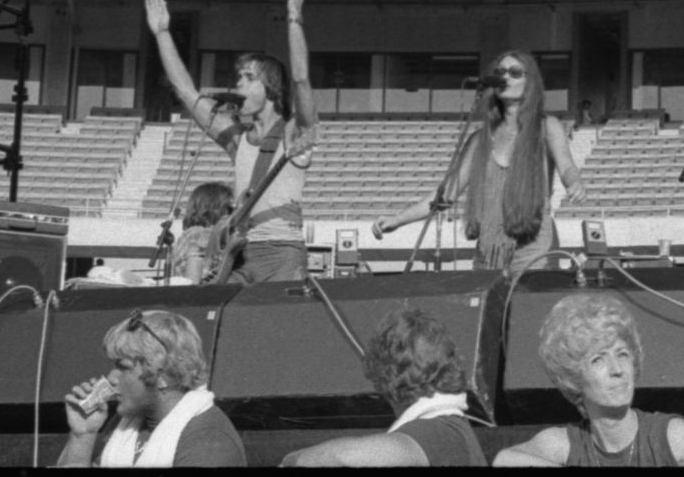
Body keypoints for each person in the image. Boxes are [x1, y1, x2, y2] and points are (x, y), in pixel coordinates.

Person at [145, 0, 320, 284]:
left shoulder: (294, 132)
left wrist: (294, 17)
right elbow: (186, 92)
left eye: (248, 78)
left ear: (272, 88)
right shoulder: (237, 140)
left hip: (282, 252)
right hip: (239, 253)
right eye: (238, 77)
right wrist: (162, 34)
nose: (238, 84)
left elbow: (300, 78)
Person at [374, 51, 587, 275]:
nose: (505, 77)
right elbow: (445, 195)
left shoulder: (547, 126)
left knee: (528, 296)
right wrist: (397, 220)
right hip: (489, 248)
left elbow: (567, 167)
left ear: (530, 82)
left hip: (534, 244)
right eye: (500, 72)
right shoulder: (479, 139)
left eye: (515, 73)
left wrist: (575, 183)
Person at [494, 292, 684, 466]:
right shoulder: (567, 443)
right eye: (598, 359)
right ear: (573, 378)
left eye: (622, 354)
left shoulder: (671, 436)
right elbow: (503, 460)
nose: (617, 370)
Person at [281, 308, 487, 466]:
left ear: (385, 378)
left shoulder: (439, 430)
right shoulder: (448, 426)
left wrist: (294, 460)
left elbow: (347, 455)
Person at [57, 309, 246, 467]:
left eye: (123, 367)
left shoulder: (207, 440)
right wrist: (83, 435)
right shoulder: (123, 425)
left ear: (162, 374)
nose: (112, 378)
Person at [167, 182, 234, 285]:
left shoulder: (191, 233)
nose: (232, 213)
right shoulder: (201, 234)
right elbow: (195, 278)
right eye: (229, 209)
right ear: (214, 209)